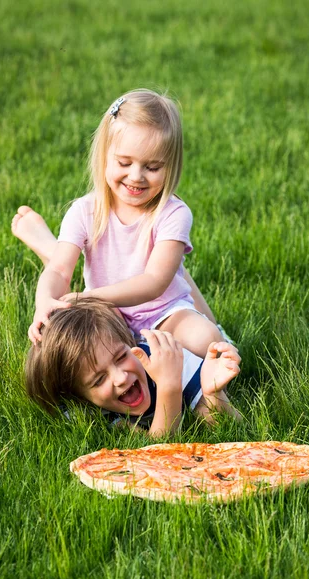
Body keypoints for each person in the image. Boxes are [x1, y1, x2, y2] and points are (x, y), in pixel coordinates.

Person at [21, 89, 232, 360]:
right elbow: (60, 271)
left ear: (171, 167)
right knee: (64, 350)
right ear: (105, 157)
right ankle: (50, 246)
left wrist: (87, 297)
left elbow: (154, 282)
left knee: (207, 341)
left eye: (152, 167)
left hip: (163, 313)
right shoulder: (85, 211)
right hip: (106, 314)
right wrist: (44, 304)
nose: (136, 176)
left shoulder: (174, 214)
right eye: (124, 162)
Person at [25, 298, 241, 436]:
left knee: (208, 331)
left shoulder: (170, 360)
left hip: (184, 329)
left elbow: (227, 427)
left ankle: (179, 271)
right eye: (99, 380)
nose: (120, 378)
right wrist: (169, 389)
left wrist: (213, 393)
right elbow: (156, 452)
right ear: (81, 395)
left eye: (120, 357)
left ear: (131, 342)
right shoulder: (87, 410)